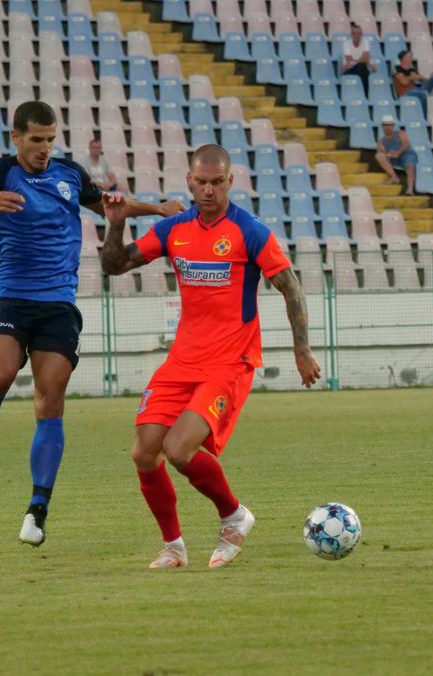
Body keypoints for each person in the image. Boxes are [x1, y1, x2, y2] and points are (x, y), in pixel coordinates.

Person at [0, 100, 184, 546]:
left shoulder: (69, 175)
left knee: (50, 402)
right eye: (36, 139)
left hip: (57, 306)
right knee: (0, 374)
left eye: (50, 139)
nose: (45, 148)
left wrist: (157, 208)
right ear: (16, 138)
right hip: (11, 299)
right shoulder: (0, 175)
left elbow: (109, 204)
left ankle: (37, 509)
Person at [101, 144, 321, 569]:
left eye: (216, 182)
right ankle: (174, 547)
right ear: (189, 181)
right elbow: (116, 265)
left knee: (179, 449)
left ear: (230, 182)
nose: (208, 190)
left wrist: (302, 349)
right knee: (145, 452)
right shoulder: (175, 229)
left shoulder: (249, 230)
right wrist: (115, 225)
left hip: (228, 362)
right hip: (181, 361)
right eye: (200, 182)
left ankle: (234, 515)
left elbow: (290, 286)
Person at [375, 116, 416, 196]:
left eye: (389, 125)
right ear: (382, 126)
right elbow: (382, 152)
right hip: (393, 158)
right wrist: (390, 154)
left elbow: (406, 144)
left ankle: (410, 189)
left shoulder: (400, 133)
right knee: (379, 156)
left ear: (393, 126)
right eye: (385, 125)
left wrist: (398, 152)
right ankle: (394, 177)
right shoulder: (381, 141)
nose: (387, 127)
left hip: (405, 154)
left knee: (410, 164)